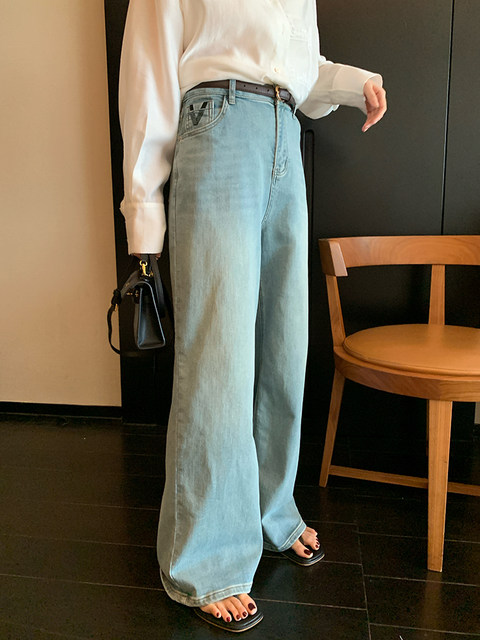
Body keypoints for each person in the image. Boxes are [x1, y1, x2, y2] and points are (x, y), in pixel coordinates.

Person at [118, 0, 387, 632]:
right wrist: (143, 213)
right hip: (216, 125)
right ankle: (204, 558)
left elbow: (297, 66)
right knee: (218, 359)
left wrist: (355, 83)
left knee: (283, 348)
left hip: (285, 133)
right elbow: (149, 67)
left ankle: (271, 510)